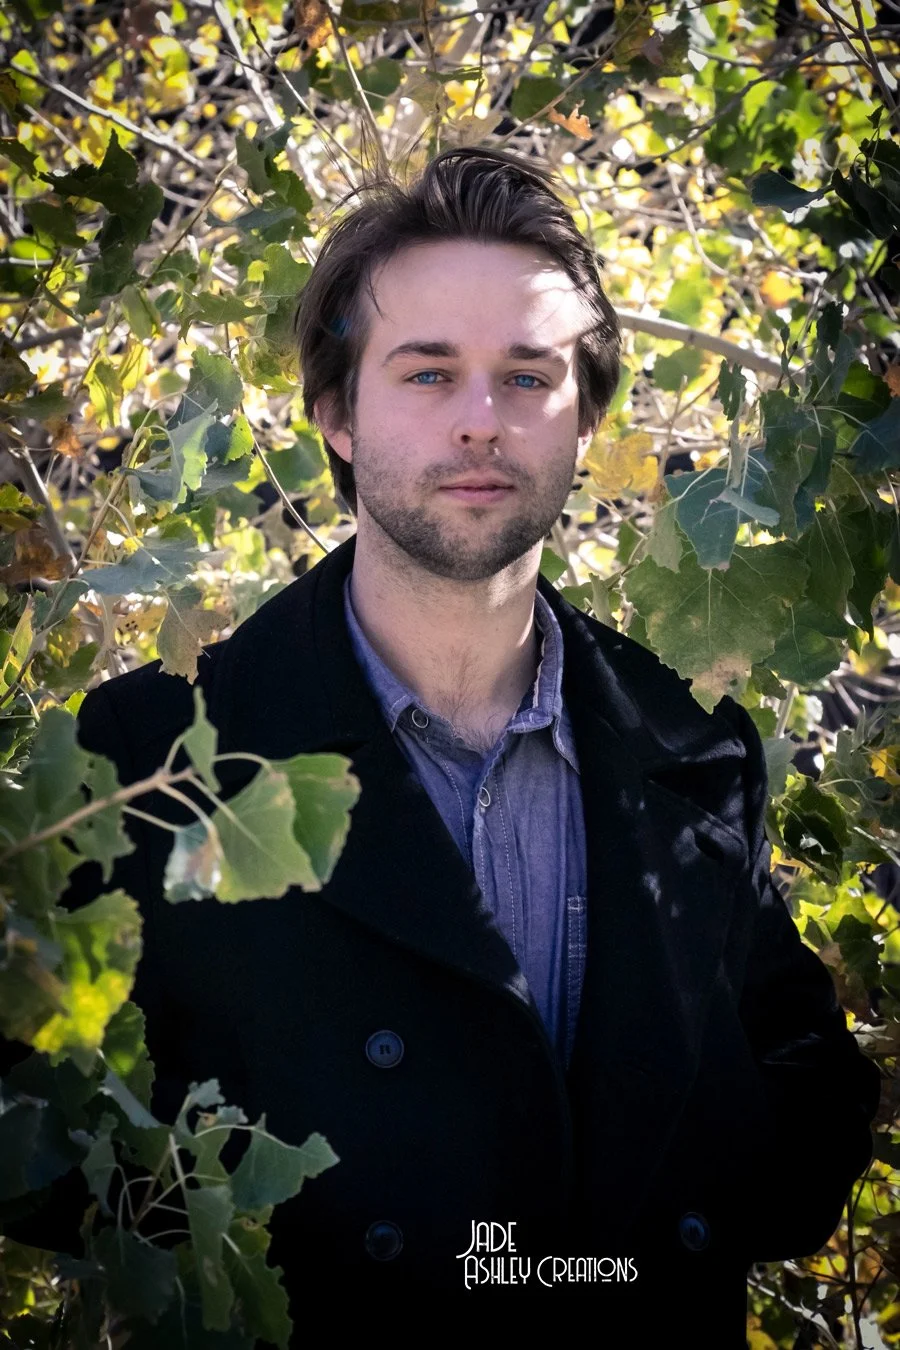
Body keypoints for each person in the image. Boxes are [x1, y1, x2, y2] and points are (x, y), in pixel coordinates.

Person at [60, 148, 885, 1337]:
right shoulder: (157, 751)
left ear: (588, 417)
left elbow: (807, 1080)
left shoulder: (695, 751)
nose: (481, 424)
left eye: (529, 377)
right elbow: (44, 1136)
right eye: (429, 372)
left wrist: (672, 1229)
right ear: (338, 413)